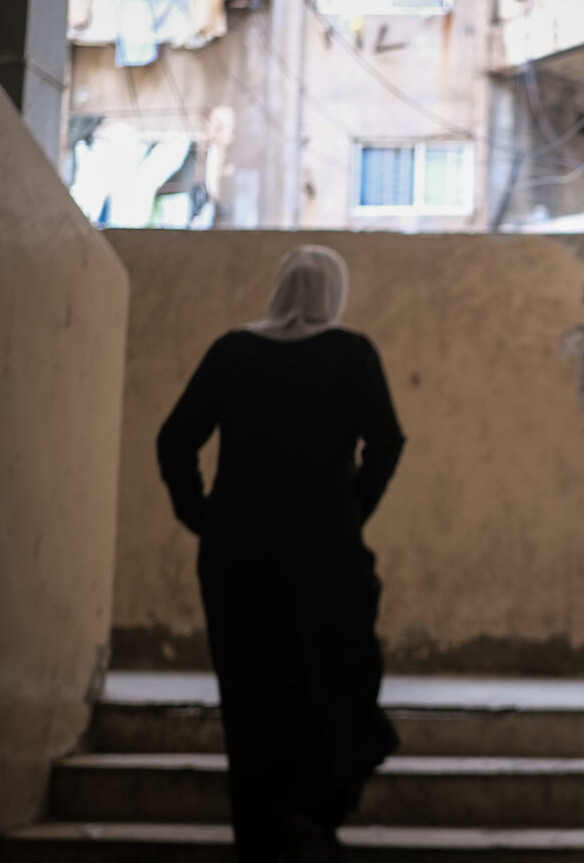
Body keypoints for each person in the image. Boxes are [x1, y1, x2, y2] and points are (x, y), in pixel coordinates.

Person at [156, 244, 405, 863]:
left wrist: (204, 518)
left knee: (251, 692)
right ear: (334, 293)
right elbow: (388, 442)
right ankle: (313, 816)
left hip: (238, 558)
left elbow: (174, 440)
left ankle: (262, 834)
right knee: (335, 677)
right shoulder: (352, 353)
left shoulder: (234, 351)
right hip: (326, 557)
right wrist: (351, 510)